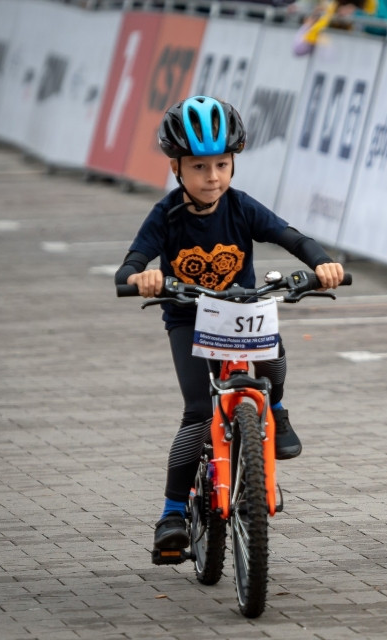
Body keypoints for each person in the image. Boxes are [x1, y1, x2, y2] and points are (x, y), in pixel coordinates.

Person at [115, 96, 345, 553]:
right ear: (177, 168)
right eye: (199, 167)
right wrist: (142, 277)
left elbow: (289, 236)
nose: (213, 176)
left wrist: (324, 264)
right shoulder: (166, 215)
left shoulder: (240, 207)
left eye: (222, 164)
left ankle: (275, 411)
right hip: (188, 317)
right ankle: (172, 513)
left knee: (274, 358)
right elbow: (131, 265)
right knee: (199, 411)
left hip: (240, 310)